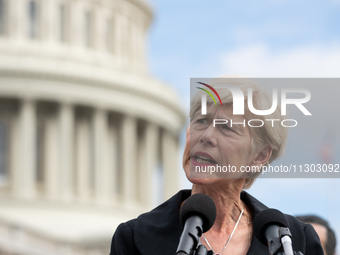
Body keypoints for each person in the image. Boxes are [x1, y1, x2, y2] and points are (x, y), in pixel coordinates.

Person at [110, 77, 324, 255]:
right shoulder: (135, 238)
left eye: (227, 128)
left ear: (259, 155)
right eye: (201, 121)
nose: (206, 136)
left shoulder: (296, 240)